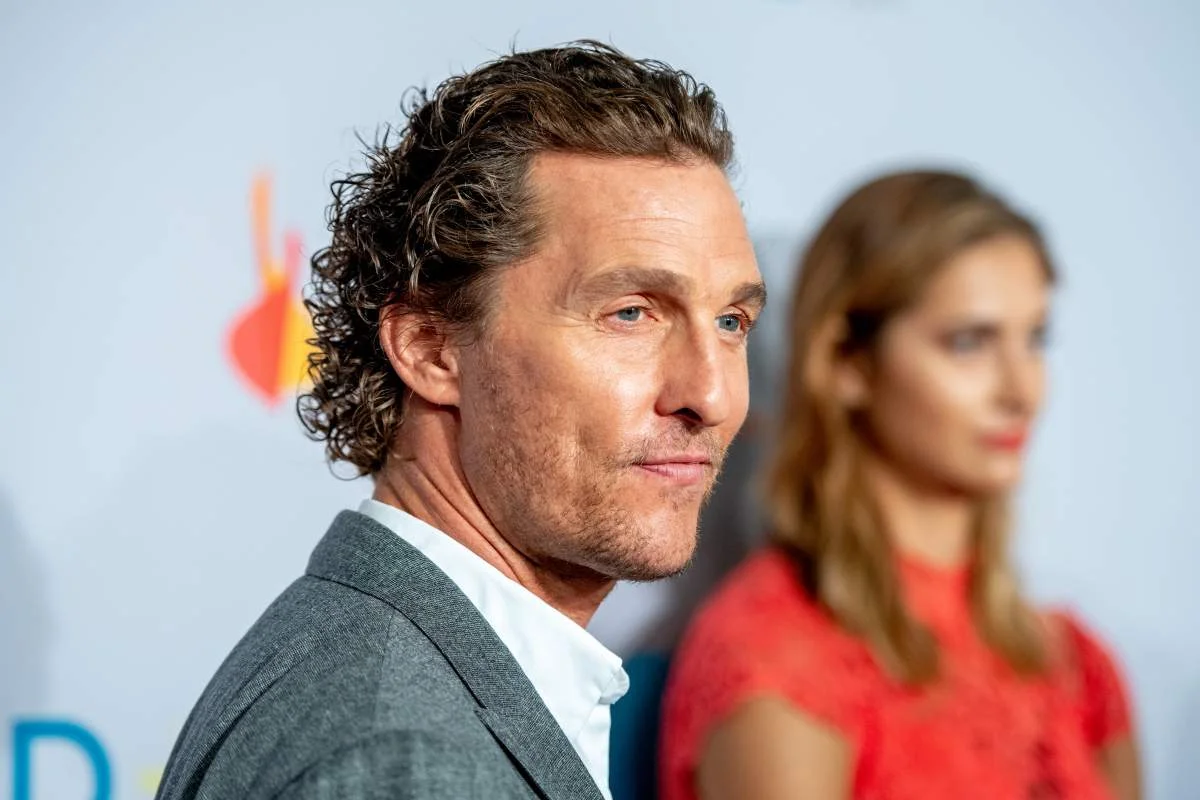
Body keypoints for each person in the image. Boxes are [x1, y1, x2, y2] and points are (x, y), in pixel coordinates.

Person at [155, 41, 765, 800]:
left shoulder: (371, 659)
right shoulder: (405, 763)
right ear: (430, 348)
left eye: (732, 321)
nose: (712, 395)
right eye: (631, 313)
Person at [660, 169, 1141, 800]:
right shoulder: (773, 657)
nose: (1022, 391)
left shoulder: (1079, 664)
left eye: (1035, 339)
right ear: (846, 362)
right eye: (969, 343)